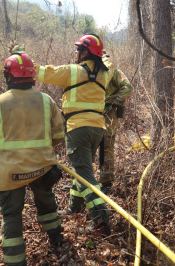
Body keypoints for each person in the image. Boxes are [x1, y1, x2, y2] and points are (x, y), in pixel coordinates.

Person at [0, 52, 65, 266]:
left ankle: (15, 261)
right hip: (42, 167)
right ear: (32, 76)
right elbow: (58, 136)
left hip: (10, 173)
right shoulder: (46, 101)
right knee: (46, 203)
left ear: (9, 76)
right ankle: (56, 238)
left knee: (11, 215)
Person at [27, 34, 115, 235]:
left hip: (77, 128)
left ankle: (101, 220)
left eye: (78, 50)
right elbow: (108, 62)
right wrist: (105, 56)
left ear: (85, 52)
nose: (76, 53)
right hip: (97, 130)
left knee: (84, 174)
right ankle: (74, 206)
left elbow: (40, 72)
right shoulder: (104, 74)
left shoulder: (71, 72)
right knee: (81, 168)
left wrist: (20, 56)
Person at [99, 52, 133, 194]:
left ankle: (106, 183)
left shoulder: (114, 73)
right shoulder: (86, 73)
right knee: (87, 148)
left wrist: (113, 104)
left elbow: (127, 88)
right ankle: (83, 181)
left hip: (108, 116)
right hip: (90, 114)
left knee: (106, 147)